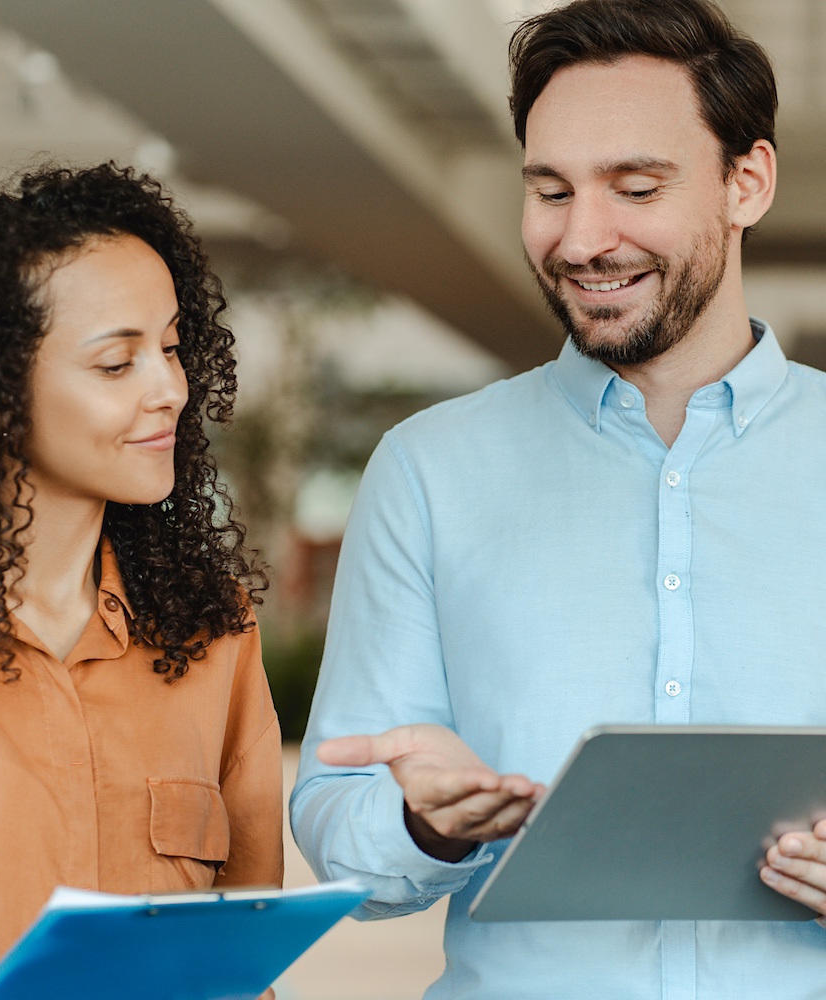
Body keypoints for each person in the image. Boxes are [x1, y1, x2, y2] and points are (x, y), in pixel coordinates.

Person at [291, 0, 826, 995]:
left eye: (634, 187)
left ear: (745, 182)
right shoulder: (428, 471)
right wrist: (424, 824)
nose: (582, 239)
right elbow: (338, 831)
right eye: (549, 190)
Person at [0, 162, 283, 1000]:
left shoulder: (215, 631)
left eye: (174, 348)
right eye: (117, 364)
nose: (170, 390)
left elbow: (244, 945)